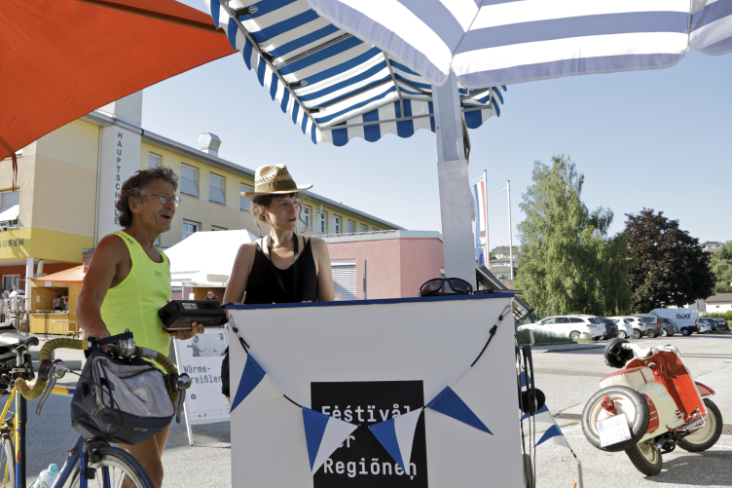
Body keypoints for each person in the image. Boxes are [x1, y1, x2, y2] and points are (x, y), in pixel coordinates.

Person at [76, 167, 203, 488]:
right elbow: (87, 300)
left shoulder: (163, 258)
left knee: (137, 477)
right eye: (162, 197)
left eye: (173, 198)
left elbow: (152, 317)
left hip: (157, 376)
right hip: (120, 375)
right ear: (134, 204)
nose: (171, 204)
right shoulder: (115, 245)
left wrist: (182, 329)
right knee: (151, 474)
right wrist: (97, 333)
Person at [221, 164, 335, 398]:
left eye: (295, 201)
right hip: (254, 361)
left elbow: (329, 309)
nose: (293, 209)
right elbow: (228, 308)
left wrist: (314, 311)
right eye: (283, 203)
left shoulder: (317, 247)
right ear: (263, 210)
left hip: (302, 361)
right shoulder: (248, 251)